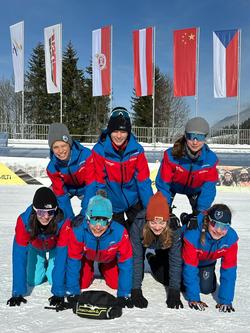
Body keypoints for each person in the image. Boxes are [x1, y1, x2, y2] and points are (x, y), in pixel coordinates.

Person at [49, 192, 133, 309]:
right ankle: (91, 268)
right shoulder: (78, 231)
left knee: (115, 284)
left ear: (110, 221)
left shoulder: (120, 232)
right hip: (87, 257)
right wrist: (72, 292)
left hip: (109, 259)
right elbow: (73, 262)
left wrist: (124, 294)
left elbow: (126, 264)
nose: (98, 226)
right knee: (83, 283)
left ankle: (103, 268)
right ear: (87, 219)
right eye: (94, 220)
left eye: (103, 220)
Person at [92, 107, 153, 230]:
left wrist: (150, 208)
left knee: (141, 233)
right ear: (109, 131)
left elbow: (143, 181)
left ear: (128, 132)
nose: (119, 136)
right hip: (113, 204)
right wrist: (102, 204)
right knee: (118, 238)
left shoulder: (137, 150)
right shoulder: (99, 150)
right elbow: (99, 181)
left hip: (134, 201)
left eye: (123, 132)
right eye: (115, 131)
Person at [7, 187, 70, 307]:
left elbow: (62, 255)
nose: (46, 217)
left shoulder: (63, 220)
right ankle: (42, 262)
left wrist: (59, 292)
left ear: (55, 210)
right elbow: (19, 256)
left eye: (50, 212)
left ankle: (50, 264)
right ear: (35, 210)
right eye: (41, 212)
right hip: (35, 247)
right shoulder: (23, 221)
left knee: (54, 280)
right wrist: (17, 292)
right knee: (33, 280)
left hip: (55, 248)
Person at [156, 117, 218, 230]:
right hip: (173, 187)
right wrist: (166, 212)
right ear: (185, 136)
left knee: (200, 223)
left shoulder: (210, 159)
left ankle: (187, 219)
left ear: (205, 138)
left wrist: (199, 214)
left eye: (199, 137)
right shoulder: (171, 156)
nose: (195, 141)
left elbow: (208, 189)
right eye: (191, 136)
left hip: (195, 189)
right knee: (162, 219)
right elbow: (163, 185)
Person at [130, 191, 183, 309]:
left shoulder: (174, 229)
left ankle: (152, 259)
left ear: (167, 221)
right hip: (147, 241)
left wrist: (174, 291)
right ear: (147, 220)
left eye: (162, 222)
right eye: (153, 222)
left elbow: (176, 261)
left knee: (170, 279)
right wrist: (136, 290)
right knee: (135, 276)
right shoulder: (138, 225)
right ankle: (150, 256)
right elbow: (136, 259)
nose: (157, 227)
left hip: (164, 246)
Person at [182, 204, 238, 313]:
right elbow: (189, 269)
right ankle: (153, 259)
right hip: (186, 261)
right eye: (214, 224)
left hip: (206, 262)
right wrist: (194, 298)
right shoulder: (193, 234)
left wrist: (226, 300)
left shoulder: (230, 238)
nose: (219, 230)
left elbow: (229, 271)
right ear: (208, 221)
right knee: (177, 281)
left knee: (206, 289)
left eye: (224, 226)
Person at [47, 122, 96, 219]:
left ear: (69, 144)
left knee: (98, 197)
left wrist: (84, 214)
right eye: (55, 147)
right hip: (68, 188)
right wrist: (69, 219)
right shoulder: (52, 168)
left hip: (85, 187)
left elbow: (92, 186)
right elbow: (61, 195)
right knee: (46, 197)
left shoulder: (86, 156)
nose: (60, 151)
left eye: (63, 146)